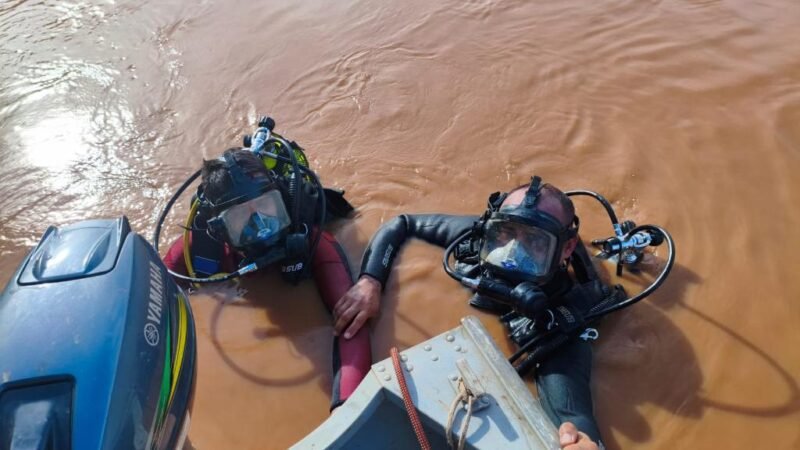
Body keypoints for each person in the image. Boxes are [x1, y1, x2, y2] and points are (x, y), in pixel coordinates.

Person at [333, 176, 608, 448]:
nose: (512, 252)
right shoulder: (478, 241)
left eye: (535, 241)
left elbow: (572, 413)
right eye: (507, 231)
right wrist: (370, 281)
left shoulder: (563, 315)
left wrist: (583, 442)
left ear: (567, 248)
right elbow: (402, 223)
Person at [162, 137, 371, 409]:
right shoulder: (196, 253)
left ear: (281, 200)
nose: (261, 225)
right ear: (220, 229)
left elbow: (352, 324)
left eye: (266, 205)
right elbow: (155, 310)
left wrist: (349, 409)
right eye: (241, 216)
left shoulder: (310, 240)